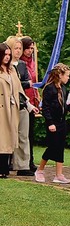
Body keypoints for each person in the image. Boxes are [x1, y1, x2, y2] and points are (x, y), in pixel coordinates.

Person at [35, 63, 70, 183]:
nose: (68, 78)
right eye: (66, 75)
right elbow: (45, 107)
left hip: (62, 122)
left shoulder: (63, 88)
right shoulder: (49, 88)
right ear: (60, 75)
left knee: (60, 147)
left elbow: (64, 107)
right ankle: (40, 170)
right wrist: (50, 122)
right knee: (52, 147)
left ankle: (59, 174)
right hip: (53, 123)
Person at [5, 36, 38, 176]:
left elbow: (25, 83)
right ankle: (6, 163)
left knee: (23, 135)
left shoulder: (23, 65)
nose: (18, 51)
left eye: (20, 48)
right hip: (8, 103)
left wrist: (29, 104)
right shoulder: (6, 66)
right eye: (15, 48)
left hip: (22, 102)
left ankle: (23, 165)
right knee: (7, 134)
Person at [0, 43, 27, 178]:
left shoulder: (12, 70)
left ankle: (5, 168)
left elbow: (19, 90)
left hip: (11, 107)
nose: (7, 57)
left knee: (9, 137)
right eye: (4, 54)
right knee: (2, 138)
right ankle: (2, 168)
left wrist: (28, 104)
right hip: (1, 108)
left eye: (8, 55)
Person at [20, 36, 39, 172]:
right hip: (22, 99)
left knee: (30, 133)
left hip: (32, 100)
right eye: (28, 48)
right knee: (22, 134)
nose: (30, 51)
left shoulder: (32, 63)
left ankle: (30, 160)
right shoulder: (20, 64)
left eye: (32, 48)